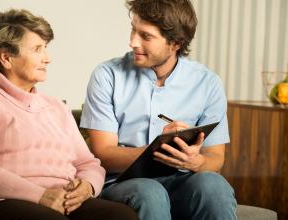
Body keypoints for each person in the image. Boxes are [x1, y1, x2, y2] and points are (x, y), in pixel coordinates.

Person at [0, 9, 139, 220]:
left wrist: (88, 187)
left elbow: (88, 164)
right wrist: (40, 195)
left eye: (46, 48)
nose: (47, 58)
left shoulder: (55, 107)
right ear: (6, 57)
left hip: (61, 199)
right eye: (37, 49)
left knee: (120, 216)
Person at [80, 0, 237, 219]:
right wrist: (156, 149)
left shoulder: (208, 83)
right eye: (133, 29)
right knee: (150, 192)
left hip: (181, 183)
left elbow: (216, 157)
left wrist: (196, 161)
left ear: (176, 43)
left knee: (214, 185)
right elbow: (102, 153)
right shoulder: (107, 75)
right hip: (124, 183)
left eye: (145, 36)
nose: (132, 42)